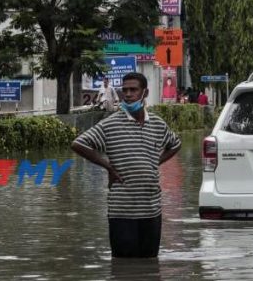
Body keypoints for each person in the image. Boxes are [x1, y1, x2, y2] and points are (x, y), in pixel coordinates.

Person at [71, 72, 182, 259]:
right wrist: (108, 167)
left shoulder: (157, 124)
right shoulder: (110, 124)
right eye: (125, 90)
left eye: (133, 90)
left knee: (150, 264)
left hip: (151, 209)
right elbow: (79, 144)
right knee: (123, 266)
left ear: (145, 93)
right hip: (122, 211)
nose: (128, 94)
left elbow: (175, 144)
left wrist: (155, 162)